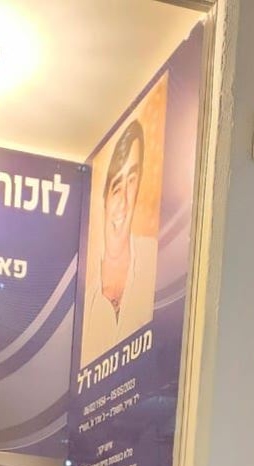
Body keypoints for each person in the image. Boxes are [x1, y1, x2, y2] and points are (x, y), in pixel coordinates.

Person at [81, 118, 158, 366]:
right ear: (104, 200)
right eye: (116, 187)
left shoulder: (156, 262)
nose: (123, 202)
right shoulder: (85, 303)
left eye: (132, 181)